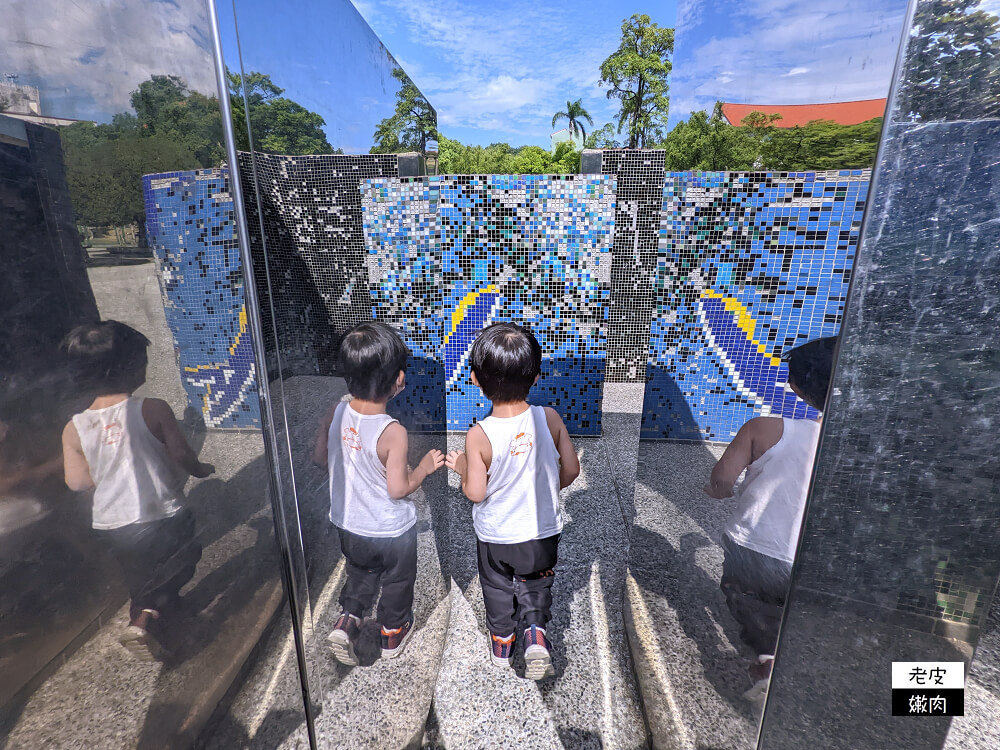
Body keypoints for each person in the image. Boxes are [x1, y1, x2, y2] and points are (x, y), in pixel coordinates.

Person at [60, 321, 214, 660]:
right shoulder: (153, 408)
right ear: (130, 367)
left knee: (140, 574)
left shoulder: (74, 427)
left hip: (114, 525)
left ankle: (142, 619)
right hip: (161, 512)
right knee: (182, 559)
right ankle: (151, 617)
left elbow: (78, 482)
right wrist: (200, 470)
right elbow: (181, 454)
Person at [703, 336, 837, 701]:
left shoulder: (763, 429)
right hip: (808, 558)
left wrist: (716, 491)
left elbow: (722, 480)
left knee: (744, 598)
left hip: (755, 547)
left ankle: (767, 657)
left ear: (795, 385)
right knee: (788, 606)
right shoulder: (846, 444)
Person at [446, 322, 580, 680]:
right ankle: (535, 633)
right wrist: (550, 486)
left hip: (497, 537)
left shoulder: (479, 435)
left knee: (498, 586)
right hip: (542, 534)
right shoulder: (549, 418)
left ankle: (503, 643)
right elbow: (571, 470)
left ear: (475, 379)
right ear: (536, 377)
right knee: (536, 583)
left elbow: (476, 492)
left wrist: (461, 467)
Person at [313, 322, 443, 666]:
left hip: (348, 525)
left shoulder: (335, 411)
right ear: (398, 380)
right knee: (397, 581)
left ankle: (348, 619)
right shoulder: (392, 432)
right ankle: (392, 631)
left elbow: (319, 458)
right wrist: (425, 468)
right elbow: (398, 489)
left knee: (361, 572)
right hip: (390, 532)